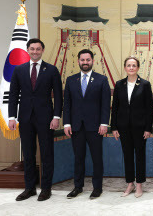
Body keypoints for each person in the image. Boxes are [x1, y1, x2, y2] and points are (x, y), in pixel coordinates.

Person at [8, 38, 62, 201]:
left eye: (38, 49)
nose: (35, 51)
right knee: (29, 154)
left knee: (47, 154)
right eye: (32, 49)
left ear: (42, 50)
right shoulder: (19, 70)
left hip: (46, 118)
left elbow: (59, 96)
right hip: (24, 118)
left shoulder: (52, 70)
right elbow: (13, 95)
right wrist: (11, 116)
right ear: (28, 50)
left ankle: (46, 188)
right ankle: (30, 188)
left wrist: (56, 117)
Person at [63, 49, 111, 199]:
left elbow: (105, 104)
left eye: (87, 60)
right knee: (78, 158)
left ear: (92, 61)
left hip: (96, 126)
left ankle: (97, 188)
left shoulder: (101, 80)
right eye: (82, 60)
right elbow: (67, 104)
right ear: (78, 61)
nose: (85, 62)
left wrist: (104, 123)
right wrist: (66, 124)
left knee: (97, 158)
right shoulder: (71, 80)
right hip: (76, 126)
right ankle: (78, 187)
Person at [111, 56, 153, 198]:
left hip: (140, 128)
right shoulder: (119, 84)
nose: (131, 68)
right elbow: (115, 107)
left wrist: (148, 128)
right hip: (123, 127)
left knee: (140, 156)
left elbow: (149, 108)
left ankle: (140, 184)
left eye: (134, 65)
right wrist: (114, 127)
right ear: (125, 68)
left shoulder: (145, 84)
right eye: (128, 65)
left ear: (138, 68)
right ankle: (130, 183)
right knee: (127, 155)